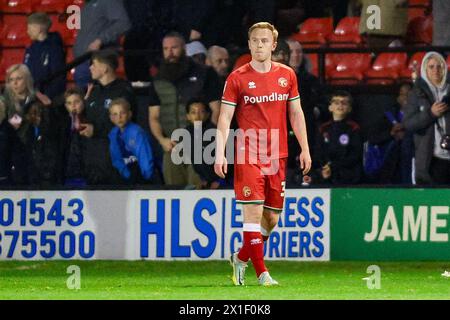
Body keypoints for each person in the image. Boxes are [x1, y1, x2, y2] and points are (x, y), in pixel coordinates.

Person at [215, 22, 311, 286]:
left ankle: (241, 257)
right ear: (249, 44)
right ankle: (262, 273)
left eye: (264, 41)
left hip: (277, 155)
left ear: (273, 45)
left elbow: (296, 113)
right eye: (255, 40)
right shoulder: (236, 78)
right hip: (247, 154)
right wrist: (220, 152)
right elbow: (225, 117)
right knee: (253, 214)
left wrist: (304, 147)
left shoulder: (287, 75)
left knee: (272, 219)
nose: (259, 45)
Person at [150, 31, 222, 187]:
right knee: (173, 194)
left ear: (184, 48)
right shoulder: (158, 79)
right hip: (172, 147)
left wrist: (210, 141)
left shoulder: (205, 73)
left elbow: (217, 110)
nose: (170, 53)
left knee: (198, 191)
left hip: (200, 147)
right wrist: (162, 140)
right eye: (166, 48)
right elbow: (153, 116)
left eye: (174, 48)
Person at [81, 49, 136, 185]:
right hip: (93, 159)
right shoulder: (93, 91)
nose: (90, 68)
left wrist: (96, 130)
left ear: (105, 68)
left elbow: (123, 123)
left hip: (115, 159)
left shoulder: (123, 90)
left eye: (94, 64)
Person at [403, 52, 450, 185]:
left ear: (444, 68)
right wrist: (431, 114)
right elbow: (408, 124)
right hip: (432, 158)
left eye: (439, 66)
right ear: (425, 69)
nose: (436, 70)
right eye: (431, 66)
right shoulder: (416, 93)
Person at [73, 0, 131, 89]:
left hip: (100, 61)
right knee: (83, 99)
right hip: (82, 62)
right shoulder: (87, 5)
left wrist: (100, 40)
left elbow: (123, 24)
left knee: (103, 97)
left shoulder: (109, 2)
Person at [313, 91, 363, 185]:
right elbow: (318, 152)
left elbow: (355, 154)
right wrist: (325, 167)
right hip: (325, 173)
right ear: (330, 107)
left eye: (344, 103)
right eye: (336, 102)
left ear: (349, 108)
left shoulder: (354, 128)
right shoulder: (323, 128)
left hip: (347, 175)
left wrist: (333, 166)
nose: (340, 105)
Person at [108, 98, 158, 184]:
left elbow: (146, 161)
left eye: (122, 113)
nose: (119, 117)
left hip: (146, 178)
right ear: (111, 118)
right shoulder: (113, 134)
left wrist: (145, 181)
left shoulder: (137, 133)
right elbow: (117, 160)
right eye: (115, 114)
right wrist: (127, 176)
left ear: (129, 114)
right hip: (129, 177)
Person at [24, 12, 66, 100]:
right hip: (33, 95)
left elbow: (58, 76)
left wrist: (48, 97)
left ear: (38, 28)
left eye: (29, 28)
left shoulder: (54, 48)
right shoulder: (30, 49)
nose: (27, 32)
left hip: (49, 98)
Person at [184, 99, 224, 189]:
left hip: (219, 181)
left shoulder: (215, 133)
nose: (197, 116)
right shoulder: (186, 133)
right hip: (201, 179)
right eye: (193, 112)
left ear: (207, 115)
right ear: (188, 116)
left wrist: (219, 181)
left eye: (201, 112)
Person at [60, 87, 88, 187]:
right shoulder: (61, 125)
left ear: (83, 102)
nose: (73, 106)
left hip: (87, 174)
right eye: (69, 103)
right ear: (65, 106)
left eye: (77, 101)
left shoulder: (90, 123)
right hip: (67, 174)